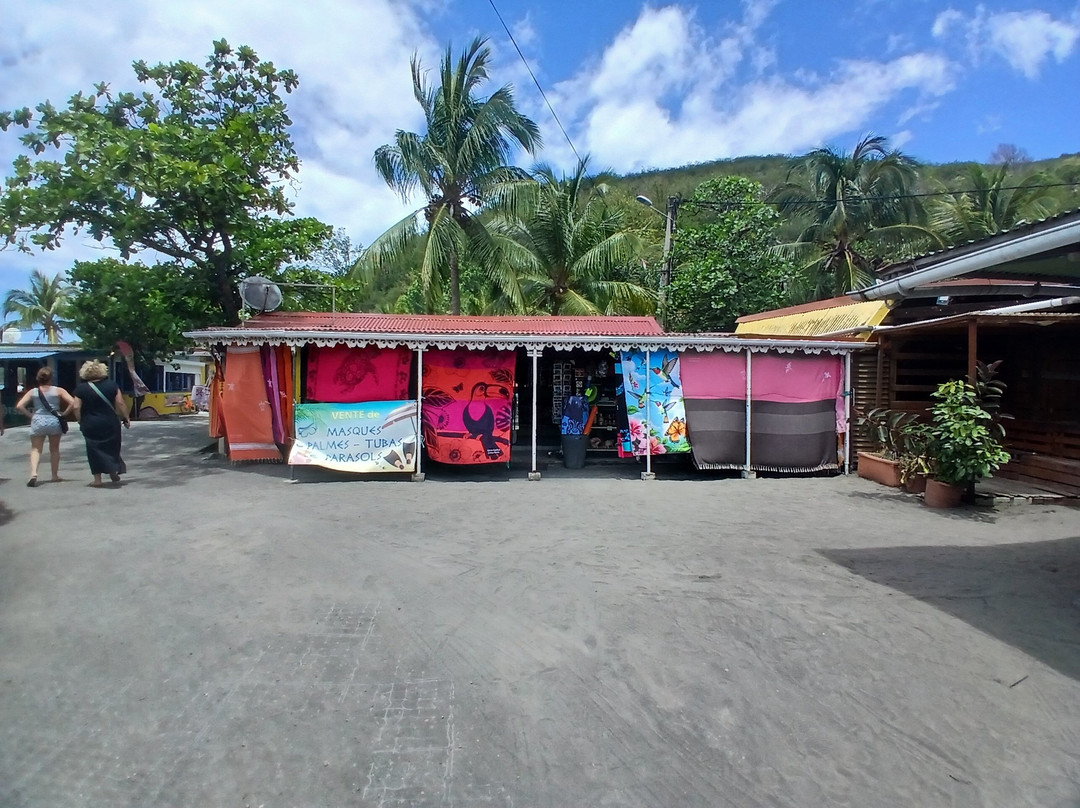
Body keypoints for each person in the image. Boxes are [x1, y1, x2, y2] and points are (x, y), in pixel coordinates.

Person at [72, 360, 130, 488]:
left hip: (90, 423)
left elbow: (76, 407)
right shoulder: (112, 385)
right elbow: (120, 403)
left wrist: (79, 419)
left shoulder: (81, 388)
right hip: (110, 422)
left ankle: (97, 479)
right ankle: (113, 470)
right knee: (112, 446)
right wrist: (126, 417)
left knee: (93, 449)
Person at [14, 366, 75, 487]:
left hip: (38, 420)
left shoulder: (33, 392)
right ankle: (54, 475)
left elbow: (19, 406)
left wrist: (30, 415)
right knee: (54, 449)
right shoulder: (58, 390)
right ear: (51, 378)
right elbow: (73, 402)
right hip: (54, 420)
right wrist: (64, 414)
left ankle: (33, 473)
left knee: (36, 449)